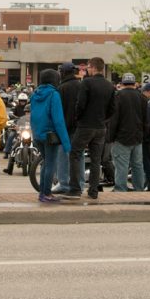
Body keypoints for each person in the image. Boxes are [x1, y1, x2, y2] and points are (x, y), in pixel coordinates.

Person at [65, 57, 115, 200]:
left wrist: (78, 118)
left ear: (92, 67)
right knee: (96, 160)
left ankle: (75, 189)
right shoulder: (109, 85)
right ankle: (93, 191)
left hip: (86, 125)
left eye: (87, 67)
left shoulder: (86, 83)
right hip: (101, 127)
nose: (86, 70)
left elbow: (80, 104)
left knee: (75, 154)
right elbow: (112, 109)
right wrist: (103, 119)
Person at [30, 69, 71, 203]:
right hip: (51, 135)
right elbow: (58, 120)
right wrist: (66, 143)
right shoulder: (54, 95)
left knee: (45, 164)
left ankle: (42, 192)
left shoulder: (35, 94)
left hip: (38, 135)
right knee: (50, 165)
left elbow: (33, 116)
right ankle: (46, 193)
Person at [108, 73, 145, 193]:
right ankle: (139, 189)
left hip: (122, 137)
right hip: (137, 137)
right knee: (137, 165)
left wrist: (111, 137)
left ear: (122, 83)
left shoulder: (118, 96)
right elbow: (145, 119)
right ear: (134, 83)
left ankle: (120, 189)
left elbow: (114, 119)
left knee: (121, 166)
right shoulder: (141, 97)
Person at [54, 62, 83, 194]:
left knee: (63, 156)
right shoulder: (81, 86)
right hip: (80, 127)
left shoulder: (62, 88)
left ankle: (64, 183)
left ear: (63, 73)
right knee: (79, 156)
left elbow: (58, 110)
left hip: (65, 127)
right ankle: (80, 184)